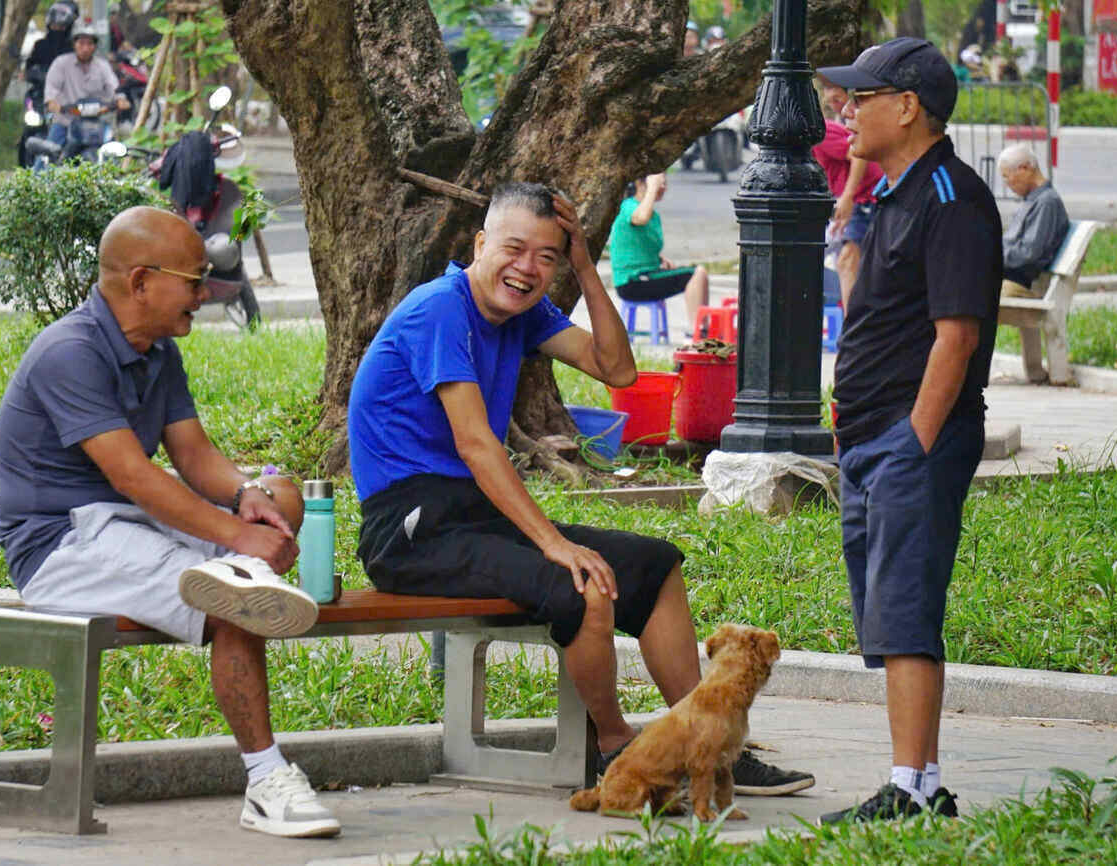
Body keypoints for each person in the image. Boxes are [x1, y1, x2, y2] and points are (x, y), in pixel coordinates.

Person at [347, 182, 814, 797]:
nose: (527, 269)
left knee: (656, 565)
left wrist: (589, 269)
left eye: (547, 257)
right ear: (481, 243)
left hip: (476, 518)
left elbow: (617, 370)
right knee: (584, 584)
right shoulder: (439, 309)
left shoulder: (522, 315)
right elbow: (476, 445)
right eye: (514, 249)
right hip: (409, 529)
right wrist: (552, 543)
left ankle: (709, 741)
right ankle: (620, 753)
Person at [0, 206, 342, 839]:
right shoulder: (69, 353)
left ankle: (240, 572)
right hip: (60, 544)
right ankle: (267, 780)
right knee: (237, 595)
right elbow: (135, 476)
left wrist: (248, 498)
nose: (204, 294)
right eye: (194, 279)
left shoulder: (155, 350)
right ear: (142, 281)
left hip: (126, 524)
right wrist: (237, 536)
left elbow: (194, 456)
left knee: (283, 496)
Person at [816, 38, 1003, 823]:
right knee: (887, 616)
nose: (847, 112)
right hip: (869, 441)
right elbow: (875, 318)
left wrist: (913, 443)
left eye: (863, 98)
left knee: (904, 613)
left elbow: (955, 337)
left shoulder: (954, 200)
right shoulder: (896, 194)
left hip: (908, 444)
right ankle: (918, 780)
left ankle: (913, 790)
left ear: (908, 107)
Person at [814, 73, 883, 308]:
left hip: (865, 197)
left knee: (847, 260)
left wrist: (848, 196)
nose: (830, 95)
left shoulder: (821, 133)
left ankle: (852, 330)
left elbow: (856, 153)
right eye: (826, 89)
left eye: (835, 89)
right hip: (856, 199)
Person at [608, 173, 710, 334]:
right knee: (697, 274)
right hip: (632, 281)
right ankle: (696, 331)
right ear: (641, 184)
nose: (663, 187)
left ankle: (703, 328)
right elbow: (640, 218)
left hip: (647, 274)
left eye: (664, 183)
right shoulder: (628, 206)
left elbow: (638, 245)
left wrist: (660, 260)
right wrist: (652, 189)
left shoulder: (653, 216)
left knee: (698, 274)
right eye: (659, 183)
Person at [997, 143, 1069, 301]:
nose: (1007, 184)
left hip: (1022, 282)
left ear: (1024, 168)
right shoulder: (1033, 199)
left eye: (1006, 177)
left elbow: (1028, 254)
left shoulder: (1047, 202)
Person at [44, 23, 128, 152]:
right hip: (66, 121)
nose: (85, 48)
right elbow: (51, 91)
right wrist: (53, 103)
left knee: (116, 155)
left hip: (97, 123)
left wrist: (121, 99)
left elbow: (113, 86)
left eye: (90, 44)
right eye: (81, 43)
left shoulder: (103, 66)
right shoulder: (61, 63)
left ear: (95, 46)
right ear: (74, 44)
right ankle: (39, 171)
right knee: (47, 157)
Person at [24, 0, 79, 82]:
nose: (57, 29)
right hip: (41, 90)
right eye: (54, 26)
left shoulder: (75, 48)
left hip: (67, 90)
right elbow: (30, 68)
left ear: (68, 27)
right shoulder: (40, 45)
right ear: (49, 26)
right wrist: (34, 73)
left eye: (61, 27)